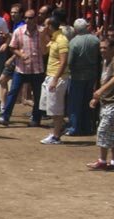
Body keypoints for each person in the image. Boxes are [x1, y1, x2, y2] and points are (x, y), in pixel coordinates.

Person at [0, 9, 43, 126]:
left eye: (30, 18)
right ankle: (5, 116)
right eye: (26, 18)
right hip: (21, 68)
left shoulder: (41, 32)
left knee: (38, 95)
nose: (28, 20)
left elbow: (48, 46)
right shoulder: (19, 31)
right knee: (13, 92)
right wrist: (21, 55)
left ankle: (36, 119)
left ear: (35, 19)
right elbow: (12, 47)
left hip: (37, 68)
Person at [86, 38, 114, 170]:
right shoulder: (105, 62)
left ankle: (102, 160)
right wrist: (97, 98)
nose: (102, 50)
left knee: (103, 130)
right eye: (101, 48)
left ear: (112, 49)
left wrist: (100, 91)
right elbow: (105, 81)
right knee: (113, 133)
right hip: (106, 101)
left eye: (105, 48)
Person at [65, 18, 99, 136]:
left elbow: (70, 61)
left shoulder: (74, 42)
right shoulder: (95, 40)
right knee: (87, 102)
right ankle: (87, 127)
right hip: (91, 75)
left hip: (77, 76)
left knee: (75, 103)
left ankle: (74, 127)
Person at [38, 15, 69, 145]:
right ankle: (55, 132)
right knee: (50, 107)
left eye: (46, 25)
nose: (44, 27)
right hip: (50, 75)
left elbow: (63, 61)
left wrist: (55, 79)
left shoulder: (62, 40)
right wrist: (42, 36)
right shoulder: (54, 38)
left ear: (50, 26)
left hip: (57, 77)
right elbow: (44, 51)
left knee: (56, 108)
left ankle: (56, 135)